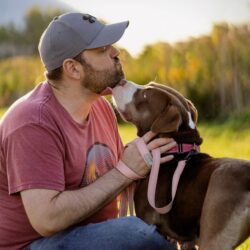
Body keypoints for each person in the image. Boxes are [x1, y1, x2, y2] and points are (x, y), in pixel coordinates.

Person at [0, 12, 177, 250]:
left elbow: (118, 170)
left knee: (160, 228)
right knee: (140, 236)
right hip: (33, 245)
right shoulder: (33, 122)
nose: (116, 52)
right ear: (73, 68)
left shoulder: (100, 107)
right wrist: (124, 172)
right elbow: (47, 219)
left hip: (86, 235)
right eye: (102, 49)